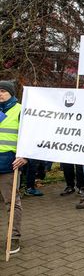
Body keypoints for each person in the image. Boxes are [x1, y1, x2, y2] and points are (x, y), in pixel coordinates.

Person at [0, 81, 28, 254]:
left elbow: (30, 136)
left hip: (9, 165)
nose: (0, 94)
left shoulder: (20, 110)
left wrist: (25, 156)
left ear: (11, 92)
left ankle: (14, 237)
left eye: (3, 91)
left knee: (11, 203)